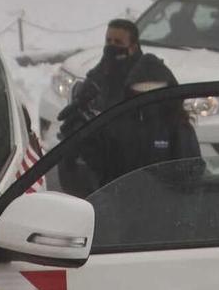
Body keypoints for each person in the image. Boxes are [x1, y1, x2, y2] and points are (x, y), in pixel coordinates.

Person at [56, 18, 189, 193]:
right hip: (110, 180)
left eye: (118, 42)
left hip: (149, 179)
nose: (111, 46)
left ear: (133, 46)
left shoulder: (146, 76)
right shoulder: (98, 77)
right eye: (108, 41)